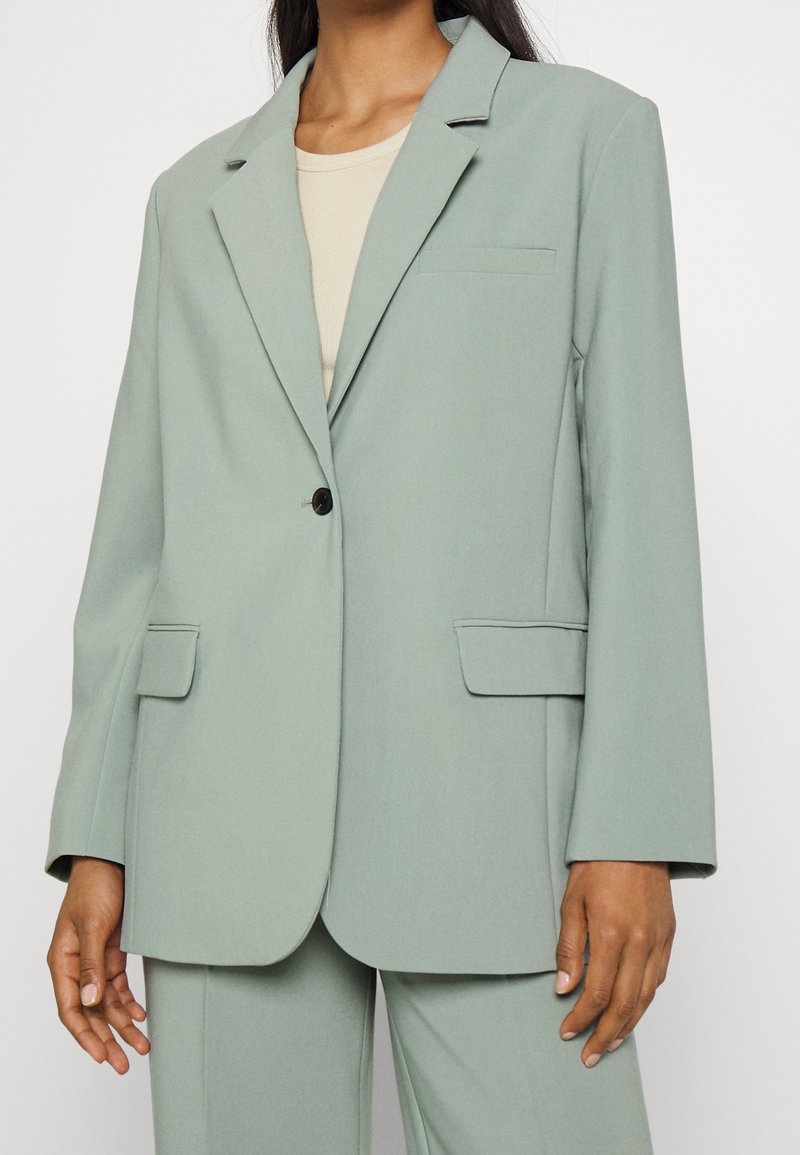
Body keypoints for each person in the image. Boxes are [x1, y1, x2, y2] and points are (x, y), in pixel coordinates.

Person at [44, 3, 718, 1151]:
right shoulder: (192, 195)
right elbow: (138, 539)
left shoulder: (586, 138)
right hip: (217, 817)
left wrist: (632, 827)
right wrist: (98, 836)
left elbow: (639, 496)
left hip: (495, 814)